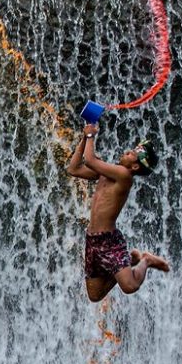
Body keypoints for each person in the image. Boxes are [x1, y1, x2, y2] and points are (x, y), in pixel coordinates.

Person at [66, 123, 169, 302]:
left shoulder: (124, 175)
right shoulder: (107, 173)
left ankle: (146, 260)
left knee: (130, 286)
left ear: (135, 167)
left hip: (109, 240)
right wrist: (84, 138)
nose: (126, 151)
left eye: (131, 154)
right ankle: (129, 261)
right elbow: (73, 169)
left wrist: (91, 136)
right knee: (95, 295)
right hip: (92, 240)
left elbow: (90, 160)